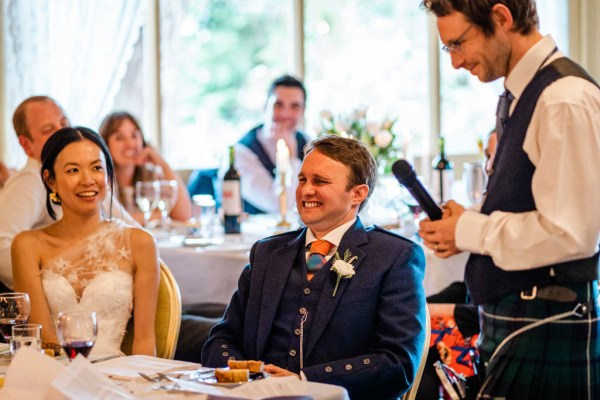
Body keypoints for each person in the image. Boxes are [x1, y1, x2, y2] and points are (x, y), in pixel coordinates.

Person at [419, 1, 600, 398]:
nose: (455, 63)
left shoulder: (563, 99)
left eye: (458, 44)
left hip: (548, 315)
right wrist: (464, 222)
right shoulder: (521, 93)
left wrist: (469, 229)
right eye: (448, 49)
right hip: (519, 317)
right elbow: (531, 205)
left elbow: (572, 234)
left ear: (501, 18)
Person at [203, 135, 426, 400]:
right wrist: (248, 377)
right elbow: (221, 340)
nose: (306, 190)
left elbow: (398, 363)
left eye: (320, 181)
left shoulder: (394, 256)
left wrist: (306, 382)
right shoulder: (268, 253)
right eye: (302, 180)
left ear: (358, 193)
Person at [11, 127, 159, 356]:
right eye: (72, 170)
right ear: (51, 181)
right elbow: (41, 340)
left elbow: (145, 340)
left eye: (97, 168)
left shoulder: (140, 243)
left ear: (108, 177)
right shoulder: (27, 246)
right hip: (53, 376)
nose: (88, 180)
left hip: (118, 381)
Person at [0, 96, 136, 292]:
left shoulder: (90, 179)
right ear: (26, 144)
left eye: (64, 123)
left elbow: (129, 227)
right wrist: (62, 278)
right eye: (49, 130)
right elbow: (2, 246)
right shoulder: (30, 182)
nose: (62, 132)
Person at [99, 111, 192, 225]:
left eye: (134, 136)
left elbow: (184, 215)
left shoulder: (152, 175)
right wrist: (159, 215)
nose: (130, 144)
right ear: (105, 144)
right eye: (120, 138)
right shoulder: (102, 181)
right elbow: (115, 220)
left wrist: (162, 163)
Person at [234, 75, 310, 214]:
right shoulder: (243, 153)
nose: (285, 114)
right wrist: (290, 158)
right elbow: (281, 208)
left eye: (295, 106)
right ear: (265, 107)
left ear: (303, 112)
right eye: (278, 105)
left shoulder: (307, 142)